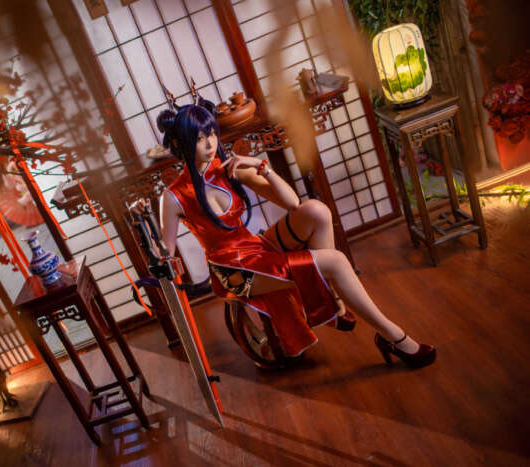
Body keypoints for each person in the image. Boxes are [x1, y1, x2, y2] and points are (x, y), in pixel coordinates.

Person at [131, 97, 435, 368]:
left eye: (211, 133)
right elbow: (166, 254)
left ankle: (333, 301)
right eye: (199, 138)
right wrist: (144, 228)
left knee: (316, 210)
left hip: (254, 248)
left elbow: (292, 204)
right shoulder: (173, 196)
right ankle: (393, 337)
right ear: (182, 143)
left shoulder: (228, 169)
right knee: (337, 261)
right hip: (232, 270)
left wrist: (261, 166)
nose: (210, 143)